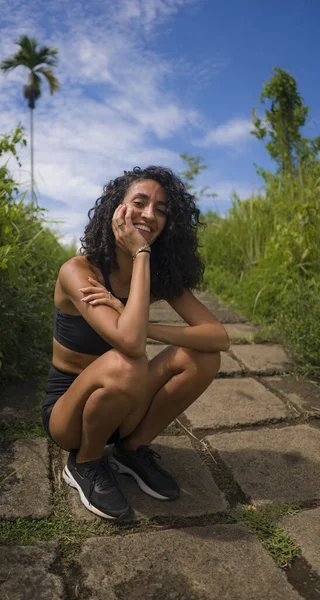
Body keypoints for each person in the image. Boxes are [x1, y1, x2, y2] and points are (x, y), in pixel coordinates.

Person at [42, 166, 230, 520]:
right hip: (71, 413)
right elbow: (129, 344)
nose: (149, 214)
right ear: (116, 210)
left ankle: (131, 448)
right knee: (129, 362)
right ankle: (84, 463)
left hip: (126, 407)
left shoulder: (157, 279)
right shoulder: (79, 271)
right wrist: (141, 254)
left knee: (202, 358)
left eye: (161, 209)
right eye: (140, 202)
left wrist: (146, 324)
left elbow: (218, 337)